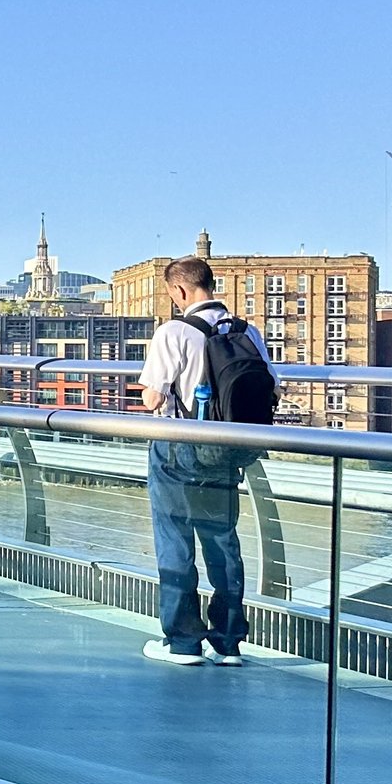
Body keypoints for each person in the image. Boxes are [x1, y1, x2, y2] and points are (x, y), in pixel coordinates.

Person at [135, 255, 266, 667]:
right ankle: (228, 643)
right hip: (229, 449)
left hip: (178, 447)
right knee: (222, 540)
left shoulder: (173, 331)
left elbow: (153, 398)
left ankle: (183, 642)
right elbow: (271, 388)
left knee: (175, 541)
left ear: (179, 291)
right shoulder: (248, 331)